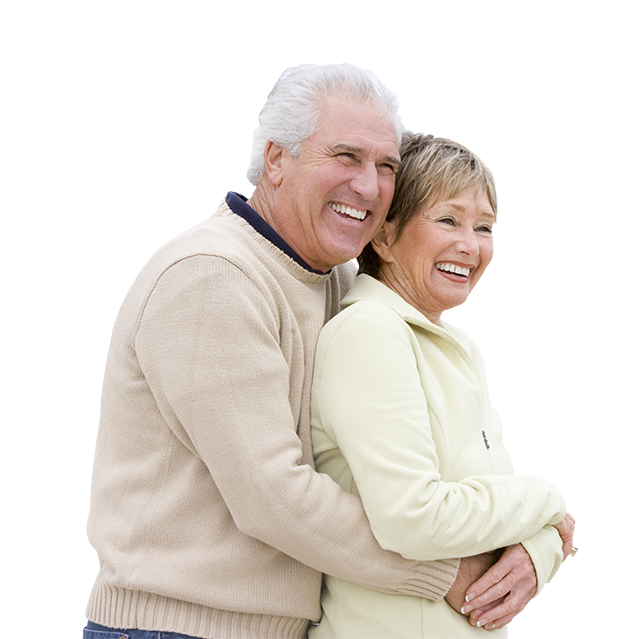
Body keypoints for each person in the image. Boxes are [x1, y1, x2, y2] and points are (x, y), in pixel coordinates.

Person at [84, 64, 542, 639]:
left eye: (386, 166)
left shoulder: (339, 285)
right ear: (276, 159)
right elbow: (274, 497)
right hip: (179, 628)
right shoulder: (212, 278)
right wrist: (446, 572)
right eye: (347, 156)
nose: (370, 187)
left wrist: (535, 540)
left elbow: (423, 471)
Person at [309, 132, 575, 638]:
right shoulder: (370, 331)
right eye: (448, 220)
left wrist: (542, 547)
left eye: (484, 227)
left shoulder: (456, 347)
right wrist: (549, 502)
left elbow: (490, 514)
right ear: (384, 237)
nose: (470, 246)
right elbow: (413, 517)